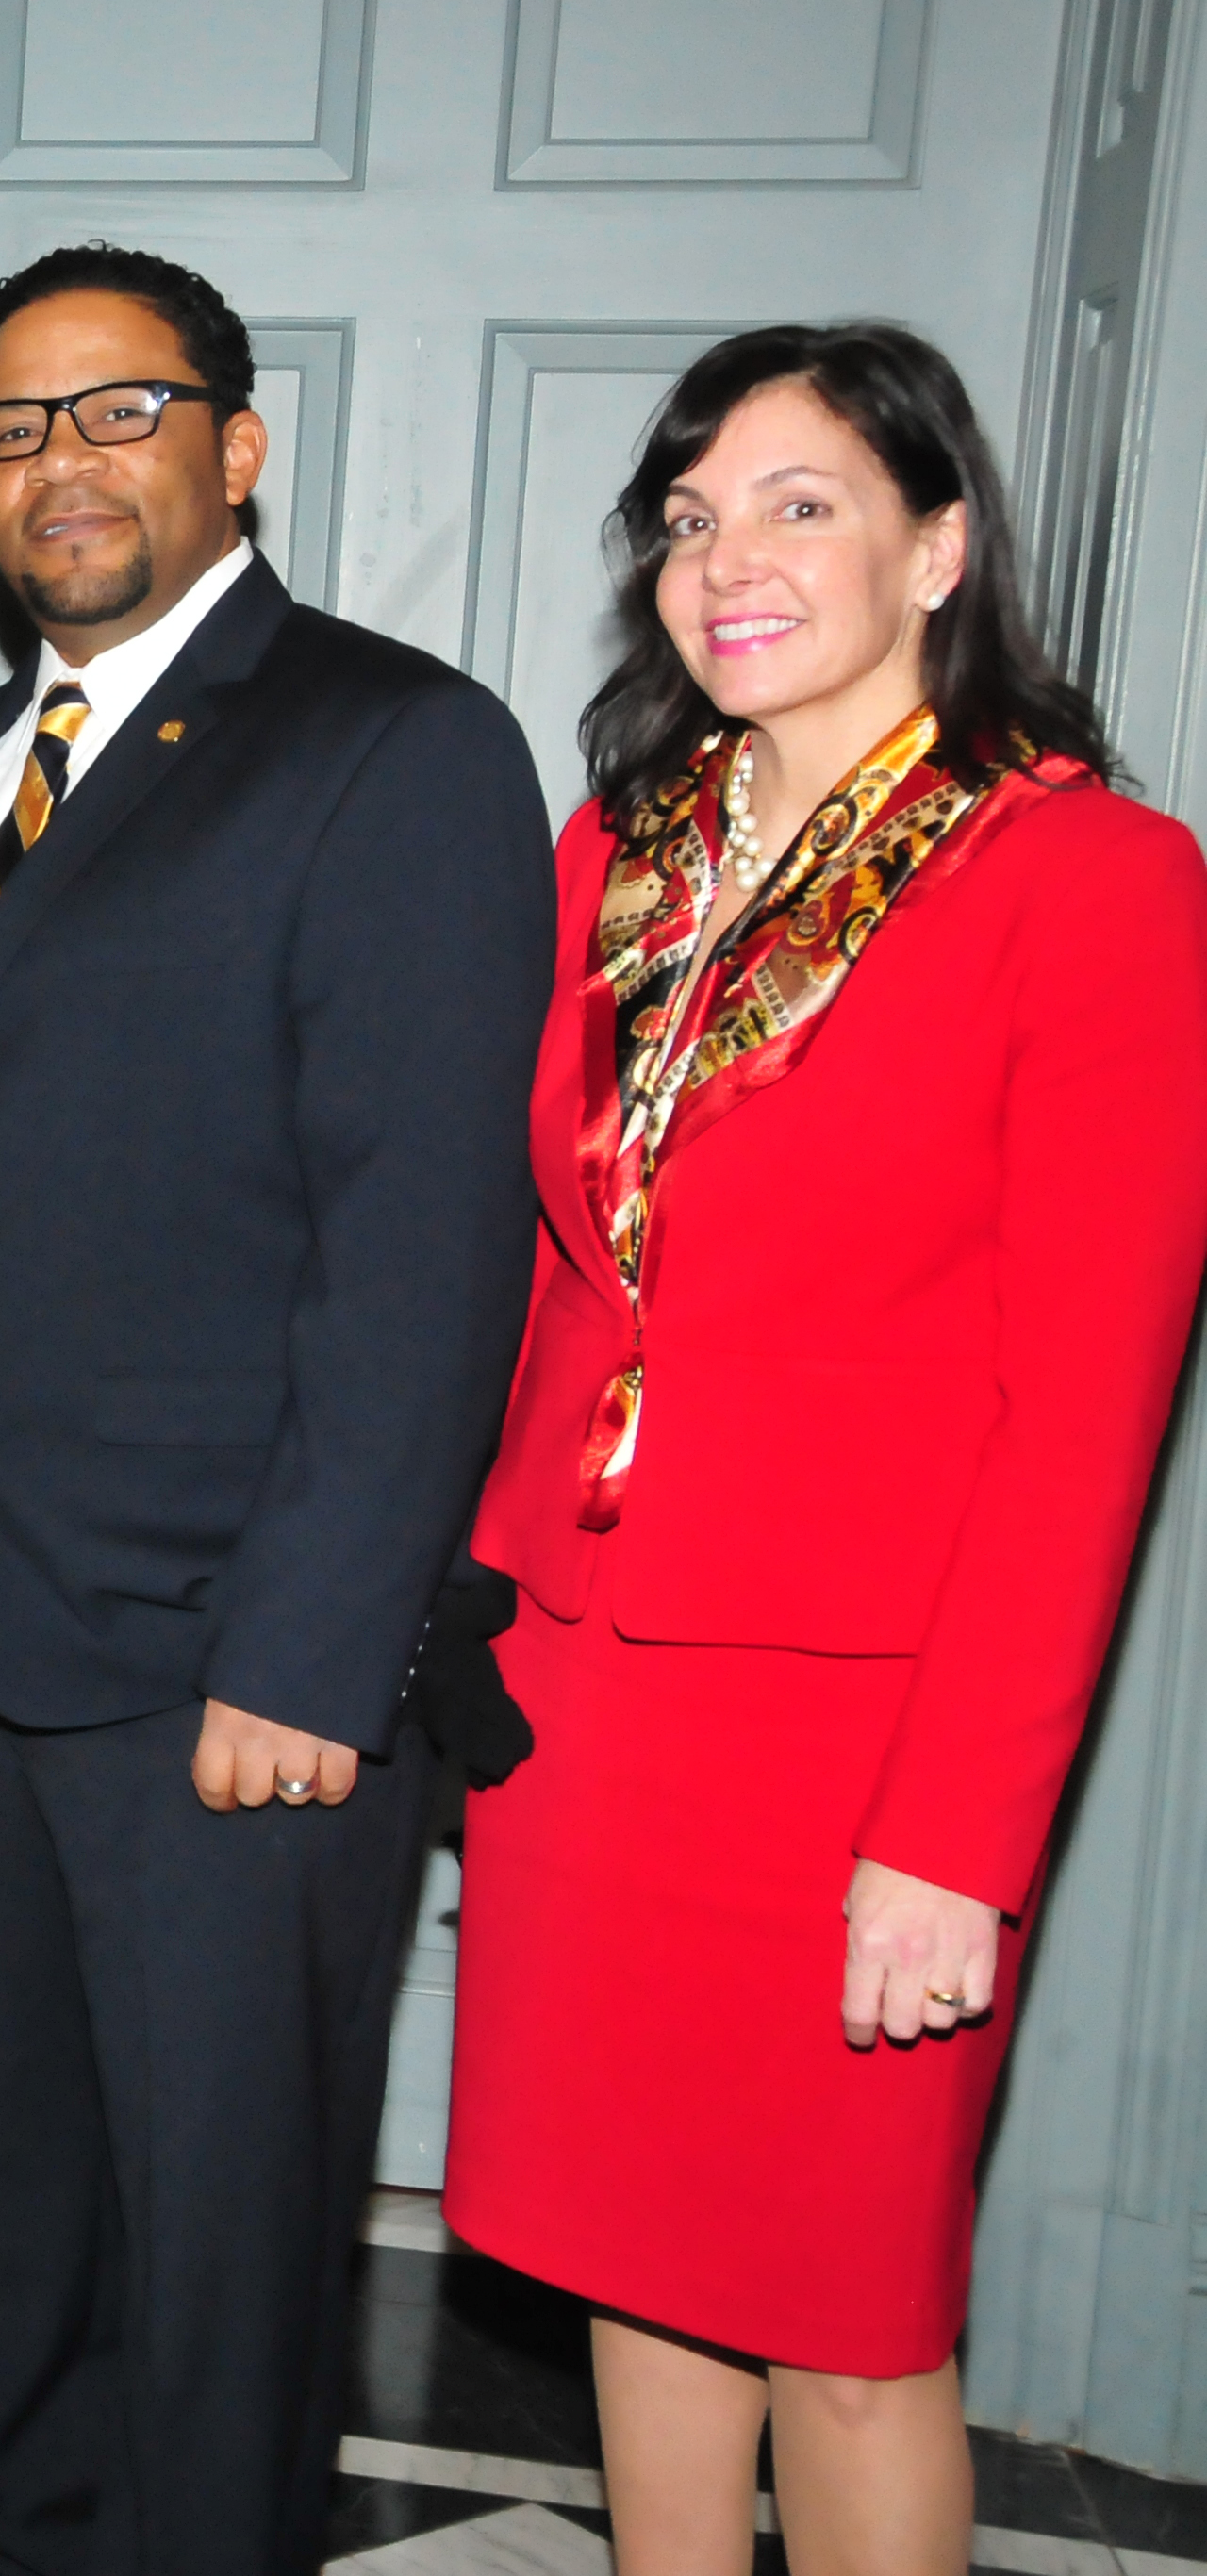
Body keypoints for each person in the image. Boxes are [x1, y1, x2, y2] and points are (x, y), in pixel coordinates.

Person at [442, 325, 1207, 2575]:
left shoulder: (1089, 882)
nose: (725, 562)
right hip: (586, 1685)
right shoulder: (623, 851)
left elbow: (1081, 1413)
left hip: (858, 1732)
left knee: (847, 2318)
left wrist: (953, 1839)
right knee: (630, 2249)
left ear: (937, 544)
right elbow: (558, 1265)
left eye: (797, 505)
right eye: (689, 519)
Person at [0, 243, 556, 2575]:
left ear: (235, 445)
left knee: (225, 2252)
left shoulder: (393, 740)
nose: (59, 465)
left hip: (218, 1669)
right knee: (4, 2201)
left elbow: (423, 1241)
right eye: (9, 429)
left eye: (116, 410)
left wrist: (305, 1643)